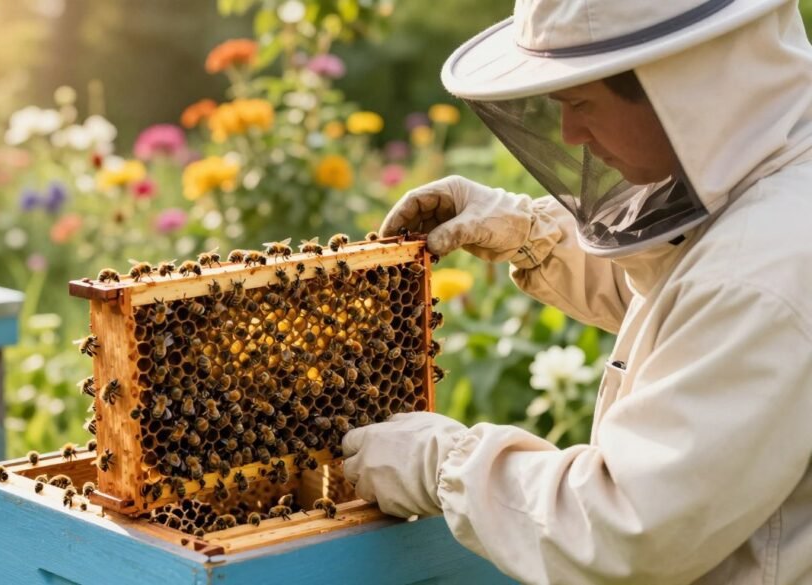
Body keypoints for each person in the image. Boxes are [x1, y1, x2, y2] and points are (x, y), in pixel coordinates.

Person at [340, 0, 812, 583]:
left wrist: (442, 463)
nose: (569, 133)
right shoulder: (777, 188)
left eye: (581, 102)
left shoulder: (760, 273)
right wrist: (529, 234)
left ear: (682, 87)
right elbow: (682, 304)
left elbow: (626, 530)